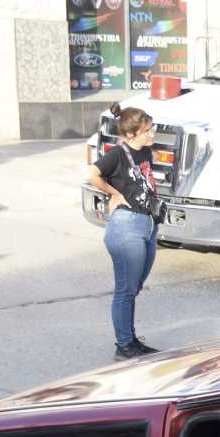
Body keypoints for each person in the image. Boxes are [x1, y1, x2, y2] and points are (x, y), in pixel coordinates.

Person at [85, 104, 161, 359]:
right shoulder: (118, 153)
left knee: (134, 286)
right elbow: (92, 174)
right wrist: (114, 193)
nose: (152, 135)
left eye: (151, 129)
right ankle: (124, 345)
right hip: (126, 226)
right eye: (147, 130)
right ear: (131, 134)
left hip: (148, 224)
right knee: (125, 289)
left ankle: (129, 339)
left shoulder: (146, 152)